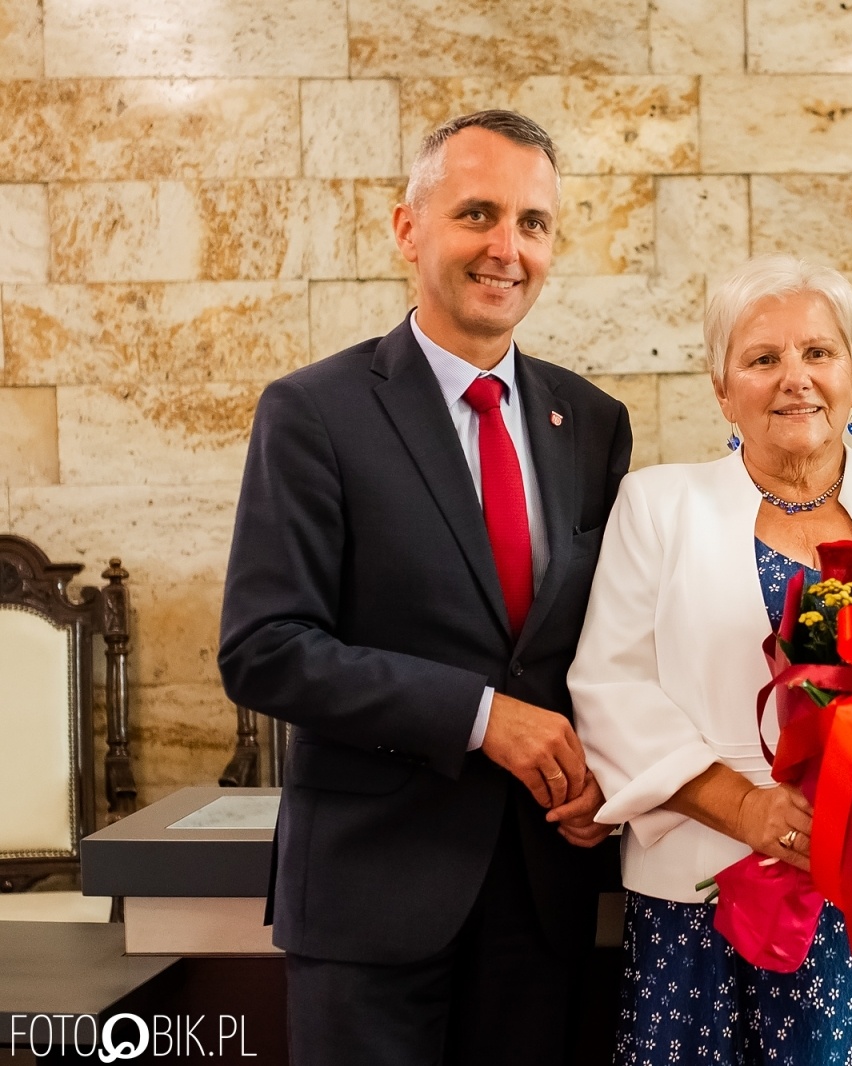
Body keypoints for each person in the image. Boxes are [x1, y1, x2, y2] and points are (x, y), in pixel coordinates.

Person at [218, 110, 631, 1065]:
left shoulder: (594, 422)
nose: (506, 248)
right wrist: (484, 716)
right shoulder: (313, 412)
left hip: (543, 893)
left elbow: (602, 642)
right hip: (373, 899)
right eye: (477, 214)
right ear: (409, 230)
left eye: (533, 223)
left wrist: (611, 759)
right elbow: (264, 646)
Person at [568, 255, 852, 1065]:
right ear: (722, 387)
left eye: (818, 354)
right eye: (763, 359)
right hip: (709, 902)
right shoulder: (656, 506)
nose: (794, 378)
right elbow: (609, 684)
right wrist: (748, 809)